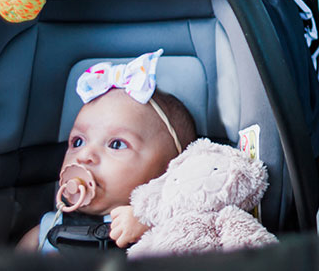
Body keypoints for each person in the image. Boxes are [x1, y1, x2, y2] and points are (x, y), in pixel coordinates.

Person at [17, 50, 198, 252]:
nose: (84, 156)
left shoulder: (166, 235)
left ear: (171, 169)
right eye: (77, 142)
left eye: (116, 144)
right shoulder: (46, 232)